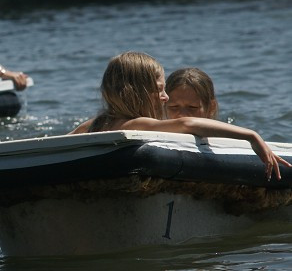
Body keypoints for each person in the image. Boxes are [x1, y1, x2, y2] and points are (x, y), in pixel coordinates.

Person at [71, 51, 289, 180]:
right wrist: (251, 136)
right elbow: (187, 123)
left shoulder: (93, 124)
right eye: (159, 89)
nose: (165, 97)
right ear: (138, 92)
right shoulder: (138, 124)